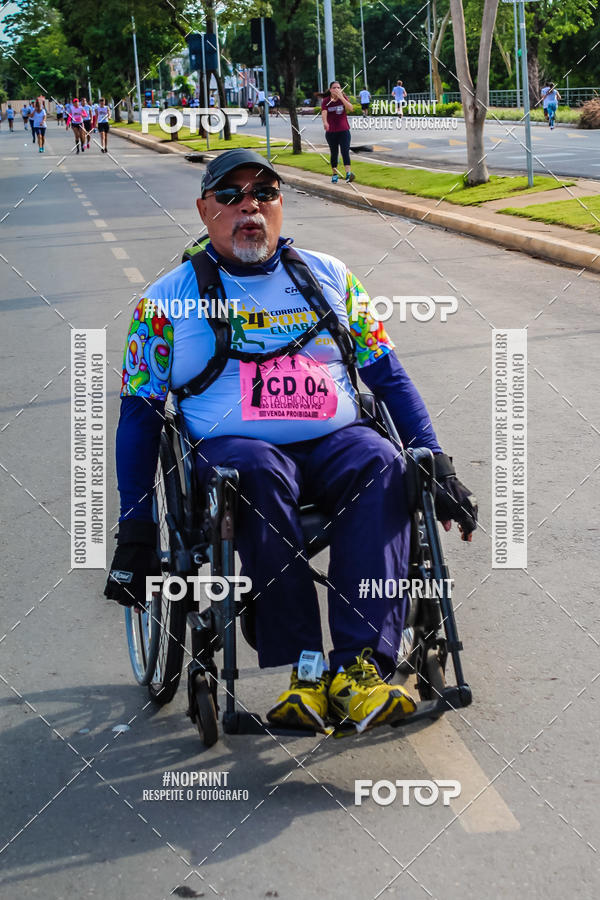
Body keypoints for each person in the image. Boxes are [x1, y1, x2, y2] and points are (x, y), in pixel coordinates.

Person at [104, 148, 478, 735]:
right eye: (231, 196)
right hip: (235, 450)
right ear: (205, 210)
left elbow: (387, 374)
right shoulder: (163, 302)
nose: (249, 207)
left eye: (265, 193)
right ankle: (304, 670)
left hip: (337, 440)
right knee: (255, 472)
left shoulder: (331, 276)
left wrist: (437, 461)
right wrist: (136, 525)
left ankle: (360, 668)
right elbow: (140, 413)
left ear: (281, 206)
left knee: (384, 462)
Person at [321, 81, 355, 184]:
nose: (337, 89)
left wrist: (341, 98)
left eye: (339, 88)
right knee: (334, 153)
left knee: (345, 151)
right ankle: (335, 174)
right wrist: (325, 122)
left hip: (344, 130)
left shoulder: (343, 98)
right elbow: (324, 112)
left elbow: (351, 108)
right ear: (330, 90)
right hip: (331, 132)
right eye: (334, 88)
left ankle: (348, 174)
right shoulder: (326, 101)